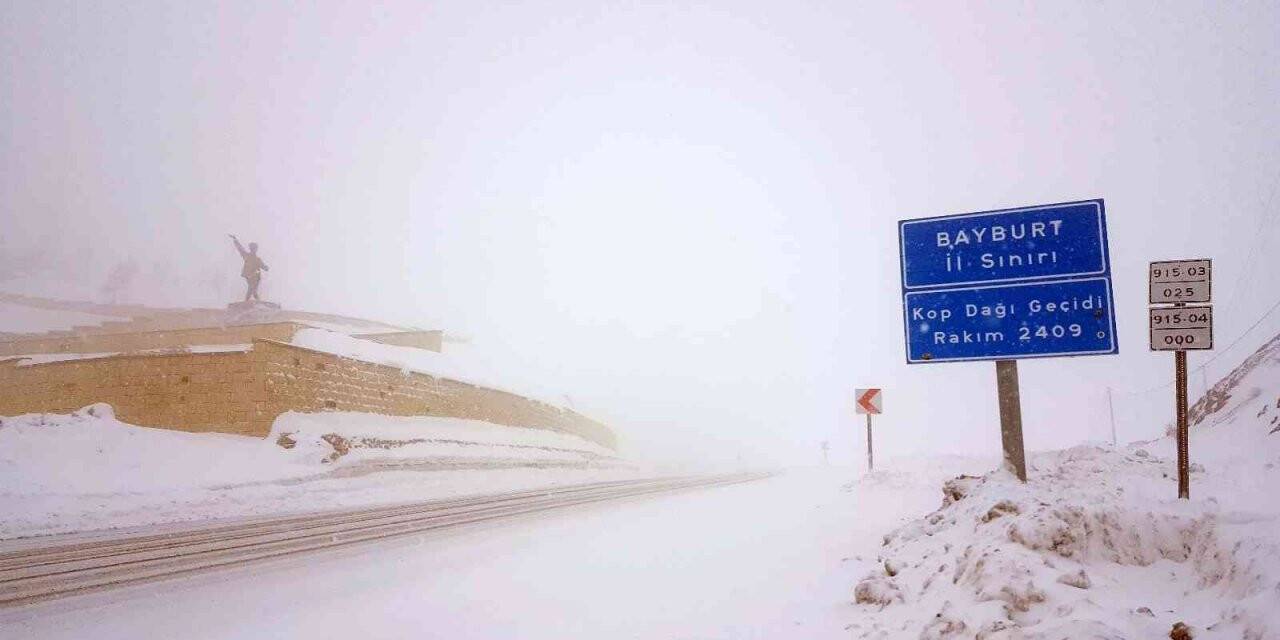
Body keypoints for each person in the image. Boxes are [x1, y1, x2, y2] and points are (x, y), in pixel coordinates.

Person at [228, 234, 269, 301]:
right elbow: (240, 248)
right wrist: (235, 240)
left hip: (256, 277)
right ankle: (255, 302)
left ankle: (250, 302)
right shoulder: (247, 256)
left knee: (252, 290)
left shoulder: (257, 259)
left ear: (256, 249)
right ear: (251, 249)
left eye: (255, 248)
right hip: (249, 276)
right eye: (252, 248)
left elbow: (264, 267)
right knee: (252, 290)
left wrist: (266, 267)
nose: (254, 250)